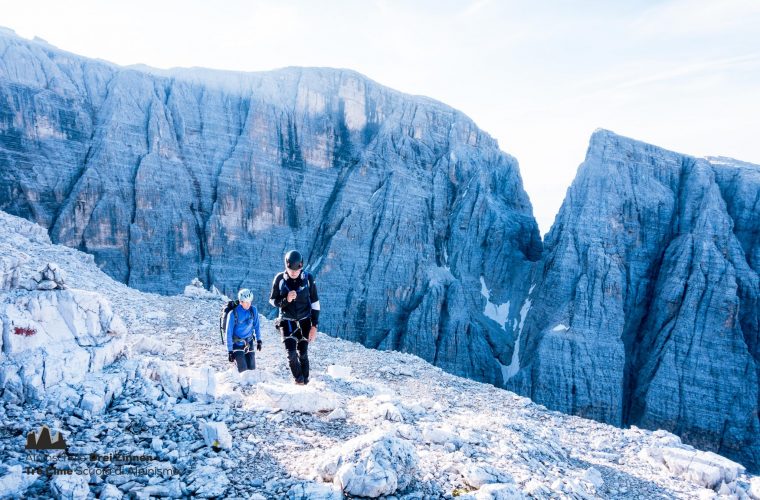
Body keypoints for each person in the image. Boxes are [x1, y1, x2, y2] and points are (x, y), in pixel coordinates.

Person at [269, 250, 320, 385]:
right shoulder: (280, 279)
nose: (293, 272)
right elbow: (273, 301)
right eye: (290, 269)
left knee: (302, 353)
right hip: (286, 321)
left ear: (301, 267)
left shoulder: (308, 279)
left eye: (296, 270)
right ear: (286, 266)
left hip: (304, 322)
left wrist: (314, 326)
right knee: (291, 354)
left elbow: (315, 303)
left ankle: (306, 381)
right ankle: (298, 380)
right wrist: (286, 299)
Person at [226, 289, 261, 373]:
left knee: (252, 370)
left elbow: (257, 326)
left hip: (249, 342)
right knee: (243, 370)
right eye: (246, 302)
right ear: (241, 302)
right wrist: (230, 351)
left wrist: (259, 340)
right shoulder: (233, 313)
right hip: (237, 344)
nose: (248, 304)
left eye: (250, 301)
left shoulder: (253, 310)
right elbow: (228, 332)